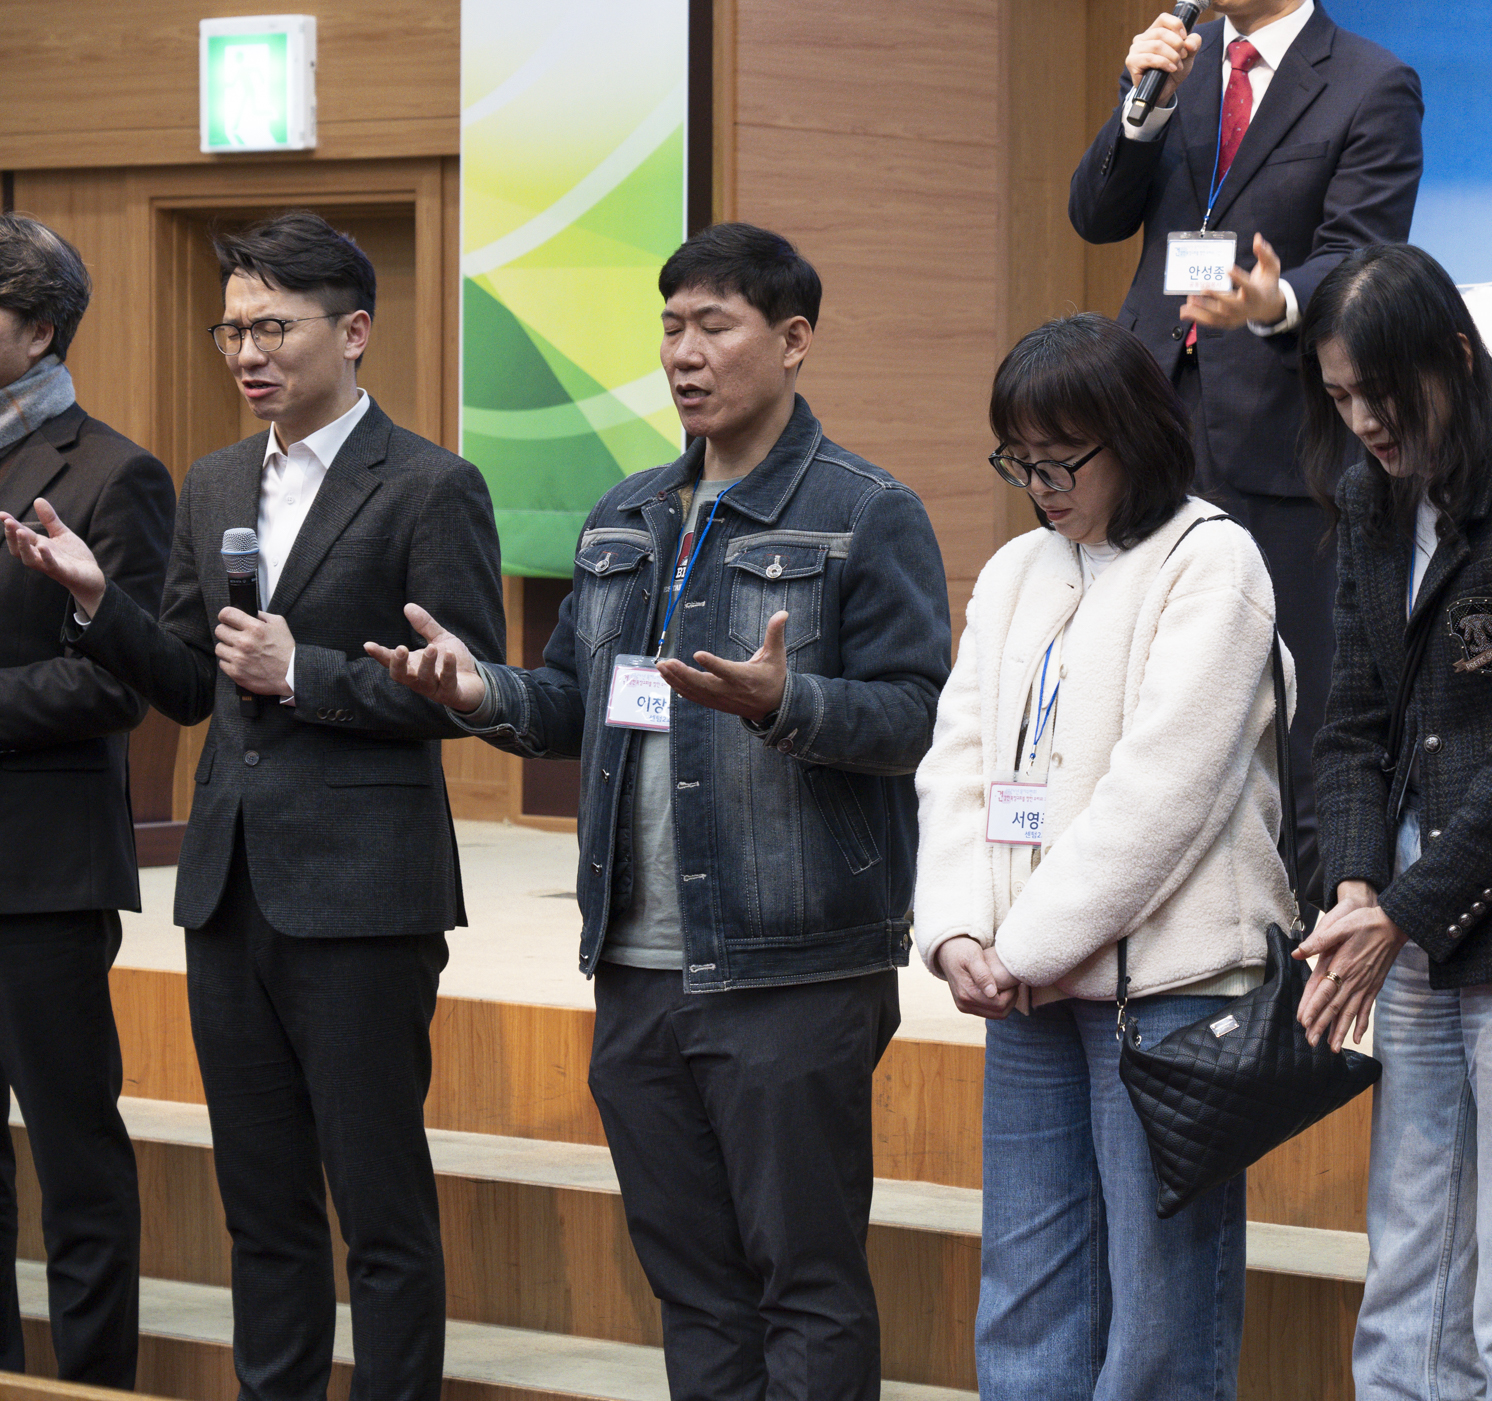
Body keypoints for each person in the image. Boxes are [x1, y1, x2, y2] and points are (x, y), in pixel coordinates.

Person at [368, 222, 950, 1401]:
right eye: (671, 328)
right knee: (692, 1284)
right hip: (635, 965)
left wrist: (787, 701)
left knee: (804, 1282)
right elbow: (575, 702)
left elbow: (916, 717)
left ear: (792, 341)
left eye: (713, 326)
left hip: (790, 968)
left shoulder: (863, 512)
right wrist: (477, 692)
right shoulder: (625, 516)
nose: (683, 353)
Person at [3, 209, 506, 1401]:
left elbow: (472, 693)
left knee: (379, 1212)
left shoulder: (430, 485)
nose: (246, 353)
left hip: (365, 894)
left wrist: (308, 673)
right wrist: (97, 603)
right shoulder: (217, 479)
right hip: (230, 892)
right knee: (262, 1210)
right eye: (231, 331)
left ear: (355, 331)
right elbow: (186, 684)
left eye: (273, 328)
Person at [914, 312, 1296, 1401]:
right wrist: (957, 932)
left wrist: (1022, 947)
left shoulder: (1210, 559)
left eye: (1059, 460)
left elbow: (1162, 793)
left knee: (1161, 1313)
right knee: (1026, 1290)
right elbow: (959, 760)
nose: (1039, 485)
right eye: (1019, 461)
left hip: (1166, 993)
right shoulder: (1014, 572)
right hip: (1024, 989)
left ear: (1131, 435)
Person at [1290, 244, 1492, 1400]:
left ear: (1457, 358)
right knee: (1408, 1257)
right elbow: (1348, 723)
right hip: (1402, 919)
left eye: (1383, 393)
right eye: (1340, 398)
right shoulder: (1366, 497)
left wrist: (1400, 914)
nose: (1366, 422)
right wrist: (1352, 888)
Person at [1069, 0, 1423, 884]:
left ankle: (1300, 927)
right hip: (1147, 418)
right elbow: (1096, 215)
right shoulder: (1178, 68)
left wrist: (1279, 301)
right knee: (1133, 676)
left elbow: (1363, 252)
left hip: (1279, 426)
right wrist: (1141, 111)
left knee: (1290, 700)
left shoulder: (1370, 82)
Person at [0, 213, 173, 1387]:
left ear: (38, 329)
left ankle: (93, 1385)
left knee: (75, 1162)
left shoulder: (115, 472)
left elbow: (120, 679)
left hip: (41, 872)